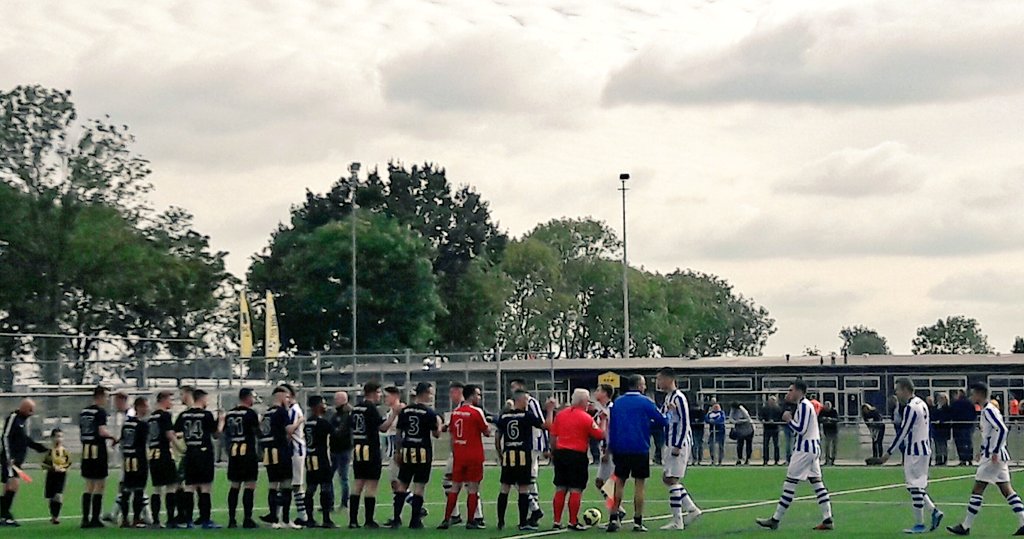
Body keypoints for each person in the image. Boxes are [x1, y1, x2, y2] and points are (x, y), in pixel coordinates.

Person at [947, 382, 1024, 536]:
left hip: (993, 458)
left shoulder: (988, 410)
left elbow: (1002, 429)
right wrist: (983, 450)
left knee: (978, 489)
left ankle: (965, 526)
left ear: (980, 394)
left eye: (973, 393)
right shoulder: (988, 410)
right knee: (1007, 490)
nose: (971, 396)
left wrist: (993, 451)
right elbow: (991, 433)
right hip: (995, 455)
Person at [756, 380, 834, 531]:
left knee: (790, 484)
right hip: (812, 448)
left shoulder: (804, 406)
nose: (788, 393)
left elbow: (801, 429)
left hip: (804, 449)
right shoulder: (805, 406)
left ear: (799, 391)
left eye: (791, 390)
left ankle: (775, 519)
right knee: (817, 484)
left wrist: (788, 420)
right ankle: (827, 518)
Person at [606, 374, 668, 533]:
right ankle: (637, 520)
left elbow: (612, 426)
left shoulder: (617, 402)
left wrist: (611, 446)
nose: (645, 387)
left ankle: (614, 517)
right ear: (639, 386)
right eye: (644, 384)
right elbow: (662, 420)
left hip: (620, 447)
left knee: (619, 482)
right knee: (639, 484)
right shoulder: (646, 402)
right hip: (639, 447)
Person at [880, 378, 941, 533]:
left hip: (915, 450)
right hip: (924, 448)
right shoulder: (922, 403)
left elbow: (903, 431)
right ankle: (933, 511)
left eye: (898, 390)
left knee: (913, 486)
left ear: (905, 389)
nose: (896, 393)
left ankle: (921, 523)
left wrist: (889, 452)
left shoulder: (911, 408)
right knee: (917, 485)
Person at [548, 388, 604, 531]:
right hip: (577, 455)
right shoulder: (585, 418)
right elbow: (599, 435)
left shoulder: (560, 415)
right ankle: (573, 521)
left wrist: (554, 452)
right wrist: (603, 420)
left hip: (561, 453)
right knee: (575, 489)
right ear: (583, 401)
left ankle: (556, 521)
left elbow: (553, 436)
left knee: (560, 487)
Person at [348, 381, 400, 529]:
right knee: (371, 484)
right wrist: (394, 414)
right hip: (370, 448)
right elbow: (383, 428)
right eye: (378, 393)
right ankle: (368, 520)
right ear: (373, 392)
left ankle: (353, 520)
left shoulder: (356, 407)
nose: (380, 396)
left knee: (357, 483)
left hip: (358, 447)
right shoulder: (370, 408)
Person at [439, 384, 491, 530]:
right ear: (472, 396)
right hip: (474, 454)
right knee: (473, 488)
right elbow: (487, 431)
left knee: (455, 486)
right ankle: (471, 520)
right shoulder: (476, 412)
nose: (479, 397)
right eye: (478, 395)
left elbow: (451, 431)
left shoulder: (455, 413)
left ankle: (446, 519)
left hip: (459, 454)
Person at [391, 382, 441, 529]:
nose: (431, 396)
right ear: (424, 393)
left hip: (407, 450)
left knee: (402, 485)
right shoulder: (429, 413)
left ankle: (396, 519)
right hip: (422, 452)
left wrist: (398, 451)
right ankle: (415, 521)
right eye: (430, 393)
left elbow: (399, 433)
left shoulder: (405, 411)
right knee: (419, 486)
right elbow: (436, 434)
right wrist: (439, 424)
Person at [657, 367, 702, 530]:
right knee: (667, 478)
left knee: (671, 479)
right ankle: (691, 509)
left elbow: (685, 422)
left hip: (678, 443)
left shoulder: (679, 398)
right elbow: (665, 418)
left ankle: (678, 521)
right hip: (670, 442)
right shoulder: (668, 397)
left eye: (660, 379)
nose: (658, 382)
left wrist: (678, 444)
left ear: (669, 379)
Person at [495, 389, 545, 531]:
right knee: (523, 489)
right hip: (523, 456)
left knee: (504, 488)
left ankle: (501, 522)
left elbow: (498, 436)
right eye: (526, 400)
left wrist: (500, 453)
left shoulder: (504, 416)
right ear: (520, 400)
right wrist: (549, 410)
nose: (528, 402)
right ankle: (523, 522)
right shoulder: (527, 416)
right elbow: (544, 425)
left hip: (508, 455)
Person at [174, 388, 221, 529]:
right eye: (206, 399)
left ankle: (188, 521)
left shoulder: (184, 415)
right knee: (205, 487)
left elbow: (174, 431)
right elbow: (216, 434)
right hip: (204, 453)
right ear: (201, 398)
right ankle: (205, 520)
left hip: (190, 453)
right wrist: (222, 420)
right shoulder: (206, 415)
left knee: (189, 487)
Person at [1, 398, 48, 526]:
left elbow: (24, 439)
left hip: (16, 460)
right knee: (13, 485)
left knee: (8, 488)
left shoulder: (23, 421)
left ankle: (4, 515)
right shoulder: (14, 418)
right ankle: (5, 515)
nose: (32, 413)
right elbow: (5, 437)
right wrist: (9, 457)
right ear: (24, 408)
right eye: (30, 410)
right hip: (11, 460)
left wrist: (38, 447)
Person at [510, 378, 549, 525]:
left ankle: (535, 509)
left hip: (531, 445)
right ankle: (534, 511)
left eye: (514, 387)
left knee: (524, 478)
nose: (512, 390)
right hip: (521, 445)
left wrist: (545, 446)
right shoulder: (516, 403)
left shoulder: (530, 402)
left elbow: (541, 422)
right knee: (526, 480)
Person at [224, 388, 260, 529]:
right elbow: (258, 432)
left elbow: (226, 433)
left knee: (235, 485)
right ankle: (247, 518)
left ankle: (232, 519)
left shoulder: (230, 414)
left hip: (234, 452)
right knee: (250, 485)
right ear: (247, 397)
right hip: (247, 451)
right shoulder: (250, 413)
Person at [80, 385, 116, 528]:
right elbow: (101, 431)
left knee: (88, 485)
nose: (108, 400)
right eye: (107, 396)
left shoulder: (84, 412)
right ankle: (95, 518)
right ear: (100, 396)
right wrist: (113, 437)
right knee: (100, 484)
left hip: (86, 449)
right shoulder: (100, 412)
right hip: (97, 449)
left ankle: (85, 518)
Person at [260, 387, 293, 528]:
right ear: (280, 397)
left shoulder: (267, 413)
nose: (288, 400)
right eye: (286, 397)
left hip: (268, 451)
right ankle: (285, 519)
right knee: (286, 483)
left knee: (273, 484)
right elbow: (289, 430)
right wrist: (299, 422)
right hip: (280, 450)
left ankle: (274, 517)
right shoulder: (281, 412)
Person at [147, 391, 178, 528]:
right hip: (164, 453)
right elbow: (169, 434)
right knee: (171, 486)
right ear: (163, 400)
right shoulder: (165, 415)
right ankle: (170, 519)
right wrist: (181, 448)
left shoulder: (151, 417)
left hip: (153, 454)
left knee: (157, 488)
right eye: (170, 400)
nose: (171, 403)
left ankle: (155, 520)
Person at [303, 395, 335, 528]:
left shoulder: (308, 422)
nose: (325, 405)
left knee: (310, 488)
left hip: (310, 458)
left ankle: (310, 518)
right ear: (316, 406)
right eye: (323, 403)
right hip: (321, 458)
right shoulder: (323, 423)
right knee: (325, 487)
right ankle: (326, 519)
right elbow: (336, 434)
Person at [102, 391, 132, 526]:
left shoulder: (130, 415)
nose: (114, 405)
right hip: (125, 454)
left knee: (128, 485)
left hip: (130, 456)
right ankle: (115, 514)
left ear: (122, 401)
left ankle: (146, 516)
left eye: (116, 401)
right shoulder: (125, 415)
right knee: (129, 486)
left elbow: (131, 434)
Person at [119, 397, 150, 528]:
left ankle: (125, 519)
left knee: (126, 490)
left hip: (127, 459)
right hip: (139, 459)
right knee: (138, 490)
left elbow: (122, 441)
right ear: (140, 407)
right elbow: (146, 442)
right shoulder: (142, 425)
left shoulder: (126, 424)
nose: (148, 409)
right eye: (146, 406)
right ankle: (137, 518)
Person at [282, 384, 308, 527]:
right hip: (295, 450)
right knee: (290, 484)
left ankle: (302, 515)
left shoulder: (293, 410)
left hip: (295, 450)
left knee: (296, 484)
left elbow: (289, 431)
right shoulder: (292, 410)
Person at [592, 384, 617, 508]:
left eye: (598, 390)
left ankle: (615, 512)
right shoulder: (601, 410)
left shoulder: (611, 409)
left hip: (611, 451)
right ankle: (617, 510)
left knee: (610, 483)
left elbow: (612, 432)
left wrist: (608, 450)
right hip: (603, 449)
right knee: (600, 482)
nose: (595, 393)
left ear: (605, 394)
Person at [42, 428, 71, 525]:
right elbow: (43, 464)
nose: (59, 439)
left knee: (58, 495)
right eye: (57, 436)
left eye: (61, 437)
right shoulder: (49, 452)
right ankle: (53, 515)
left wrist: (63, 468)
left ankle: (56, 517)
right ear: (52, 438)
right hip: (51, 475)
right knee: (51, 496)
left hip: (61, 475)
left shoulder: (64, 451)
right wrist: (51, 467)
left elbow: (69, 463)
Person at [330, 391, 353, 509]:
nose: (335, 401)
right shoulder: (336, 414)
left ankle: (344, 502)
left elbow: (340, 431)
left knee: (343, 477)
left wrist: (333, 431)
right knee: (330, 477)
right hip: (334, 449)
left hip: (343, 449)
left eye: (337, 398)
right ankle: (330, 502)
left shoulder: (347, 414)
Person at [381, 387, 404, 506]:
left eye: (387, 396)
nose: (384, 399)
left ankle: (416, 507)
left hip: (397, 451)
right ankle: (397, 513)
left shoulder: (401, 411)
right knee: (395, 483)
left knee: (397, 482)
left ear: (395, 396)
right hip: (392, 451)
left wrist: (398, 451)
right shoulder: (391, 412)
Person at [951, 390, 976, 466]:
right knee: (968, 443)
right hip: (968, 426)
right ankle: (970, 459)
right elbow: (974, 414)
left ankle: (962, 459)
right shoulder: (970, 403)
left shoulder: (956, 403)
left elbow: (952, 414)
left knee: (960, 444)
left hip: (958, 426)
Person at [762, 396, 783, 466]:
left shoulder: (778, 409)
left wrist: (774, 421)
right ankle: (765, 460)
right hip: (767, 428)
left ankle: (776, 460)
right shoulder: (764, 408)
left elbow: (780, 418)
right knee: (765, 444)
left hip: (775, 428)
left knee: (776, 445)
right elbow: (761, 416)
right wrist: (763, 420)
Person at [933, 393, 952, 466]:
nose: (940, 400)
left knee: (943, 445)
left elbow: (948, 416)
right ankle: (938, 459)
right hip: (937, 429)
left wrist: (941, 421)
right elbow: (933, 415)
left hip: (944, 429)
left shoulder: (947, 408)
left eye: (942, 398)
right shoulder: (936, 408)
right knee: (937, 445)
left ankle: (944, 458)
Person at [819, 402, 839, 466]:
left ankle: (833, 460)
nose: (827, 407)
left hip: (834, 431)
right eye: (826, 406)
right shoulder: (822, 411)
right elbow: (819, 419)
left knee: (834, 446)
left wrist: (831, 419)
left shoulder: (834, 411)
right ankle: (827, 460)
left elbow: (837, 419)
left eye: (828, 406)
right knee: (827, 446)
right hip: (826, 431)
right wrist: (824, 419)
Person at [690, 401, 706, 466]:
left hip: (699, 429)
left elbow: (703, 419)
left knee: (698, 444)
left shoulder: (701, 412)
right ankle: (696, 459)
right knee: (695, 444)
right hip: (694, 429)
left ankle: (699, 459)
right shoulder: (691, 412)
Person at [783, 398, 797, 464]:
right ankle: (788, 458)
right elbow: (781, 415)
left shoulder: (796, 405)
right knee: (788, 443)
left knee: (794, 443)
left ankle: (794, 458)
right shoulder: (784, 405)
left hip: (794, 426)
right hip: (786, 426)